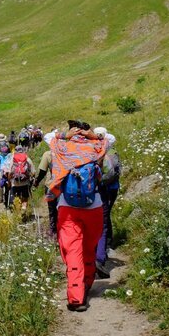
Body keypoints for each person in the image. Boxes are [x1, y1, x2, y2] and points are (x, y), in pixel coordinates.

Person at [45, 122, 108, 312]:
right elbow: (110, 138)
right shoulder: (96, 148)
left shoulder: (62, 147)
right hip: (94, 205)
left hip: (68, 207)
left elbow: (49, 136)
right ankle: (87, 284)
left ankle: (76, 297)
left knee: (73, 252)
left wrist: (65, 135)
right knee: (89, 248)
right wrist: (92, 135)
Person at [93, 127, 120, 279]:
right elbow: (116, 171)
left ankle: (92, 257)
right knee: (103, 222)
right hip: (108, 189)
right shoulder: (111, 152)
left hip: (91, 193)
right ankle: (102, 255)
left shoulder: (88, 151)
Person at [2, 145, 33, 213]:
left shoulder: (12, 159)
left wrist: (9, 183)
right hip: (25, 183)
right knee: (25, 199)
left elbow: (9, 173)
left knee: (17, 197)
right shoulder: (27, 158)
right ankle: (24, 208)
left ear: (15, 151)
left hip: (15, 183)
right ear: (23, 150)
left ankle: (18, 213)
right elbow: (33, 172)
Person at [34, 147, 57, 238]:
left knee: (52, 209)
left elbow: (42, 172)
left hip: (51, 185)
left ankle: (53, 229)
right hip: (66, 185)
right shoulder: (69, 151)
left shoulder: (48, 154)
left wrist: (37, 182)